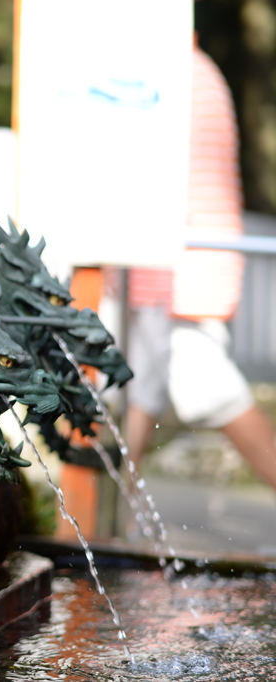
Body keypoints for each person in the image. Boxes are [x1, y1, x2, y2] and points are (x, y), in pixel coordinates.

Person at [124, 42, 276, 489]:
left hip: (178, 268)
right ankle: (104, 519)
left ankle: (97, 522)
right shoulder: (192, 68)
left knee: (207, 389)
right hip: (183, 262)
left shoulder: (167, 73)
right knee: (142, 391)